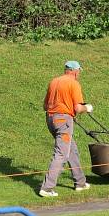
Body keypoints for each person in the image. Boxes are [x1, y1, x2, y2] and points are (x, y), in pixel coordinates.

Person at [39, 60, 93, 197]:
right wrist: (88, 108)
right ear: (75, 71)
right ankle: (47, 188)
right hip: (64, 121)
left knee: (71, 149)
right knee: (61, 153)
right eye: (79, 71)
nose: (79, 73)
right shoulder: (73, 83)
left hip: (50, 119)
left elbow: (45, 106)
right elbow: (77, 108)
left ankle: (80, 183)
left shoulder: (54, 81)